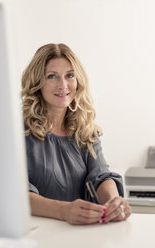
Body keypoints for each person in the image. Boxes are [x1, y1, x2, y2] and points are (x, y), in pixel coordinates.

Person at [21, 43, 131, 225]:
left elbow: (100, 175)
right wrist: (64, 211)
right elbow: (16, 194)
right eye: (52, 76)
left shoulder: (86, 128)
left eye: (69, 75)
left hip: (80, 236)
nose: (63, 85)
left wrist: (113, 201)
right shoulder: (19, 132)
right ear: (37, 82)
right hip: (39, 236)